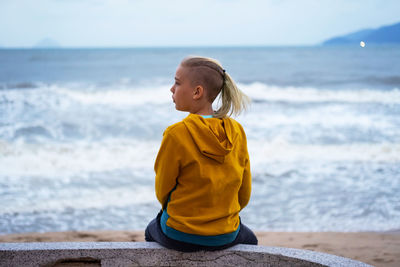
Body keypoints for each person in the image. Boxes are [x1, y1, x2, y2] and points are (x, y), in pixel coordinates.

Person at [145, 56, 258, 252]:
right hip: (225, 234)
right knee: (251, 241)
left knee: (150, 231)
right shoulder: (237, 130)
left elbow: (163, 190)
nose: (172, 89)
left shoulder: (176, 133)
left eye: (177, 83)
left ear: (197, 92)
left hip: (180, 233)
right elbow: (244, 194)